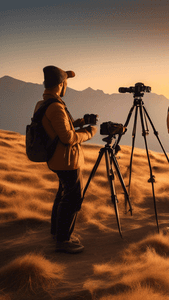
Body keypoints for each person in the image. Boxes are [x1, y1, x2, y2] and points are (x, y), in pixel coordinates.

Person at [35, 66, 97, 253]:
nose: (66, 86)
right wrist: (88, 132)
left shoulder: (44, 103)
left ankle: (57, 233)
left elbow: (57, 128)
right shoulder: (55, 107)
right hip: (66, 160)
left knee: (63, 194)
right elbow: (68, 138)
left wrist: (78, 122)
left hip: (57, 159)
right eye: (66, 83)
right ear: (61, 84)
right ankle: (63, 241)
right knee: (72, 197)